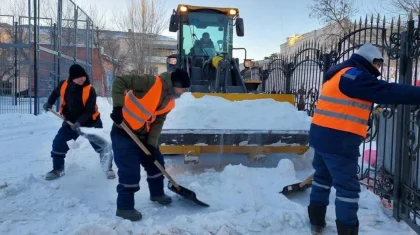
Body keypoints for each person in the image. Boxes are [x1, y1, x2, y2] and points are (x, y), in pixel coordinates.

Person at [308, 42, 420, 235]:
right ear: (372, 61)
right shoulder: (354, 76)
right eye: (378, 65)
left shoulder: (338, 74)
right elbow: (387, 91)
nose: (378, 69)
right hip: (340, 142)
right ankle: (348, 229)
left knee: (322, 179)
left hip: (321, 137)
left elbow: (345, 104)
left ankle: (316, 221)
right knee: (347, 190)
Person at [109, 68, 190, 221]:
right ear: (175, 84)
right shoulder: (150, 82)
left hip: (143, 136)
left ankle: (157, 193)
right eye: (183, 88)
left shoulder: (170, 102)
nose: (184, 91)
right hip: (123, 132)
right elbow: (120, 81)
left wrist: (151, 145)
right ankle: (124, 208)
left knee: (156, 162)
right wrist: (118, 108)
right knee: (130, 171)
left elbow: (158, 122)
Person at [43, 64, 115, 180]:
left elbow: (89, 110)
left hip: (91, 122)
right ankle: (58, 169)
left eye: (83, 76)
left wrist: (79, 123)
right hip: (70, 121)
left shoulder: (89, 89)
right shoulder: (63, 85)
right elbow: (55, 93)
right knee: (58, 143)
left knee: (102, 145)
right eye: (79, 77)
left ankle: (108, 168)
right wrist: (49, 103)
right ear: (72, 78)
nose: (82, 79)